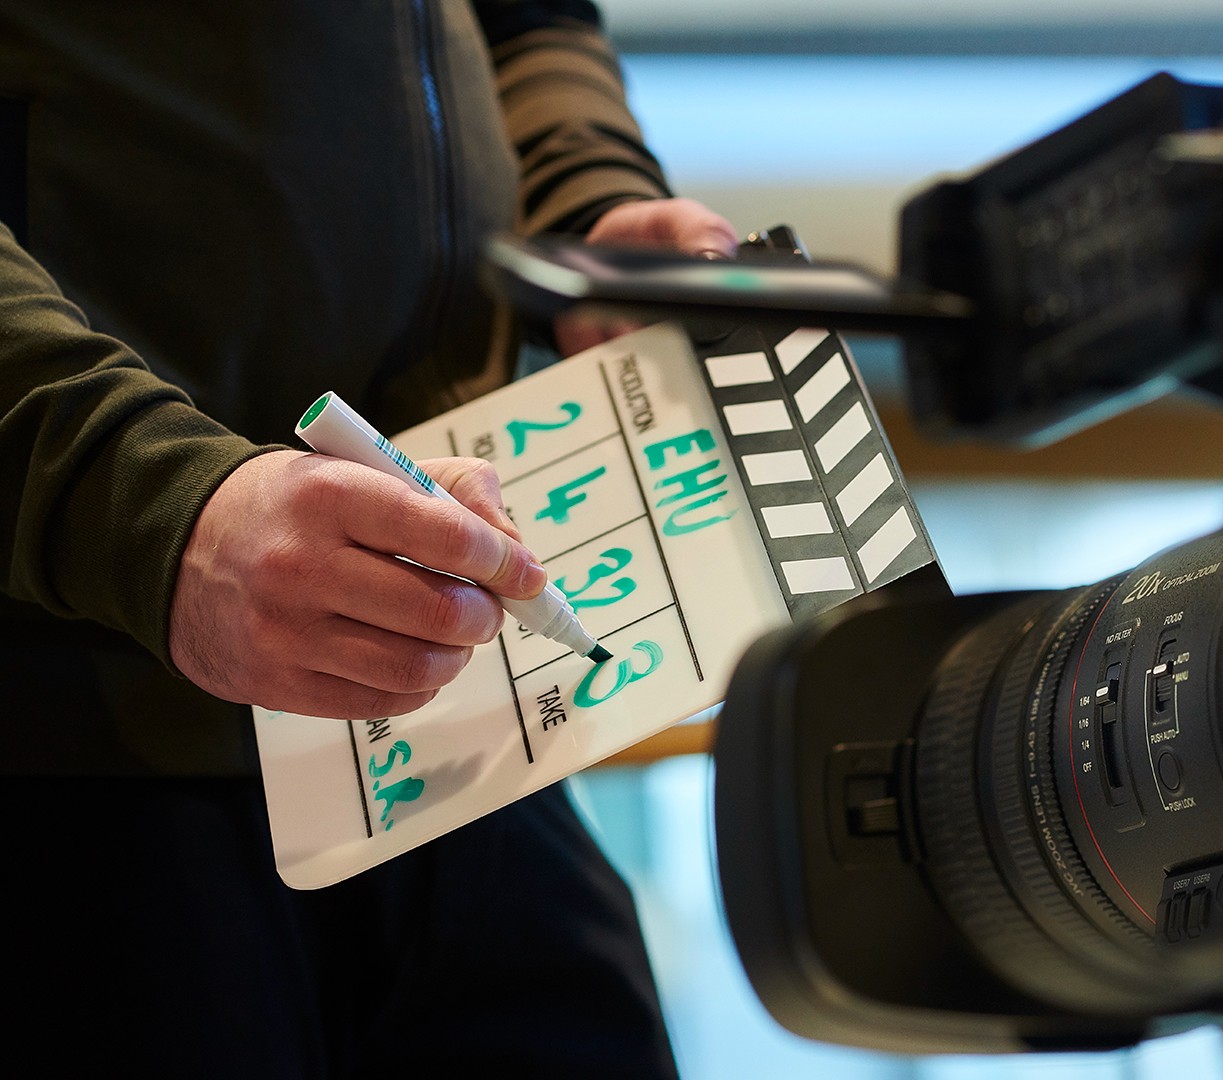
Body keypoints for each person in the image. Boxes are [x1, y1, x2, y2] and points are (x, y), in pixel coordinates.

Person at [0, 2, 734, 1073]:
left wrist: (586, 191)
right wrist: (149, 504)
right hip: (82, 748)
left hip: (456, 735)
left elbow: (531, 19)